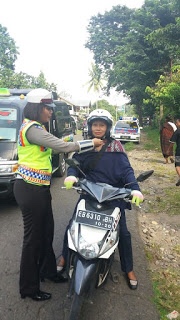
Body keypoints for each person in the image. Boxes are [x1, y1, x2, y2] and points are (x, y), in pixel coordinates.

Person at [13, 88, 103, 302]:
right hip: (29, 188)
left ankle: (48, 272)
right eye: (48, 108)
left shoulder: (39, 128)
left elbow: (53, 147)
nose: (51, 112)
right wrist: (91, 142)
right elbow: (61, 146)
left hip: (40, 188)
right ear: (38, 108)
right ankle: (28, 288)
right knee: (33, 239)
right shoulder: (32, 129)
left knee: (46, 232)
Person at [57, 109, 144, 290]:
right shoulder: (86, 145)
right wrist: (72, 176)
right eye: (95, 125)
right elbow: (75, 164)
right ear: (90, 127)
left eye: (101, 125)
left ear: (107, 128)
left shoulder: (117, 147)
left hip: (114, 197)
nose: (98, 128)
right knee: (73, 224)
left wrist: (135, 189)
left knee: (124, 233)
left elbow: (127, 171)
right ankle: (65, 255)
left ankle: (128, 268)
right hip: (89, 193)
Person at [170, 117, 180, 186]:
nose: (176, 124)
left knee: (177, 165)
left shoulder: (177, 131)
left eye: (177, 123)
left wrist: (168, 150)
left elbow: (172, 143)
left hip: (179, 152)